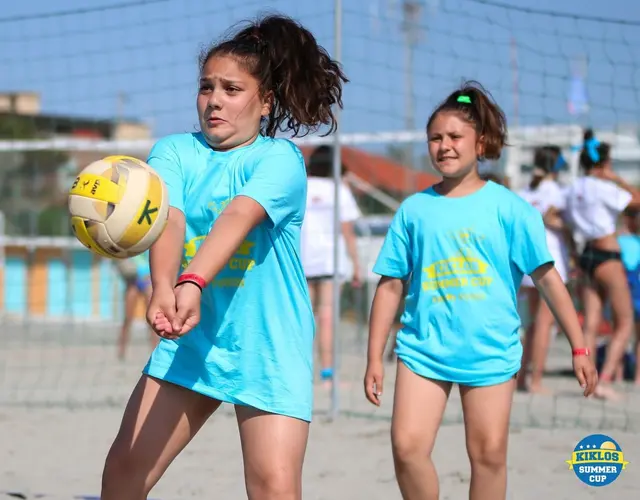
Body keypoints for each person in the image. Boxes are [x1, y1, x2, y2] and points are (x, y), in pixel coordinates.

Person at [100, 14, 347, 500]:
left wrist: (191, 282)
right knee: (123, 476)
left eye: (232, 88)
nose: (215, 99)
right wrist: (164, 287)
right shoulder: (173, 151)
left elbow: (237, 216)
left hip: (268, 344)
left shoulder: (278, 159)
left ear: (265, 100)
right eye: (206, 86)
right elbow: (166, 218)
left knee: (273, 489)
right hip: (193, 342)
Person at [363, 81, 597, 500]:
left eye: (455, 137)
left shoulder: (511, 208)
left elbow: (548, 281)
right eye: (435, 138)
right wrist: (374, 356)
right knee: (407, 449)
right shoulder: (414, 209)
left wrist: (580, 346)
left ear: (481, 142)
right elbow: (390, 285)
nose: (444, 146)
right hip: (423, 350)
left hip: (490, 351)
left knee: (488, 455)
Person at [565, 129, 640, 400]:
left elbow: (560, 217)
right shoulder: (605, 187)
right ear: (605, 163)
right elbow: (637, 201)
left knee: (591, 324)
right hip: (607, 255)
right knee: (625, 322)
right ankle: (605, 379)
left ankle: (588, 378)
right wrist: (616, 178)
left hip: (585, 255)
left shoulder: (573, 187)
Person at [301, 145, 362, 384]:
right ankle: (327, 373)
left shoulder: (302, 186)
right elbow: (348, 231)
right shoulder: (339, 190)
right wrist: (356, 264)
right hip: (330, 260)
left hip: (302, 259)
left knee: (304, 318)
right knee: (326, 316)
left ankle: (302, 371)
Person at [516, 146, 572, 393]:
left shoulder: (524, 193)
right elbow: (556, 221)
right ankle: (535, 380)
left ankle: (519, 378)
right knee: (544, 323)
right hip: (549, 260)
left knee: (530, 324)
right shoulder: (557, 192)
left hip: (526, 260)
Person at [617, 207, 640, 383]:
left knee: (618, 332)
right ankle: (638, 377)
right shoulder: (630, 241)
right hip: (635, 289)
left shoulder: (619, 240)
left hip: (623, 288)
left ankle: (616, 375)